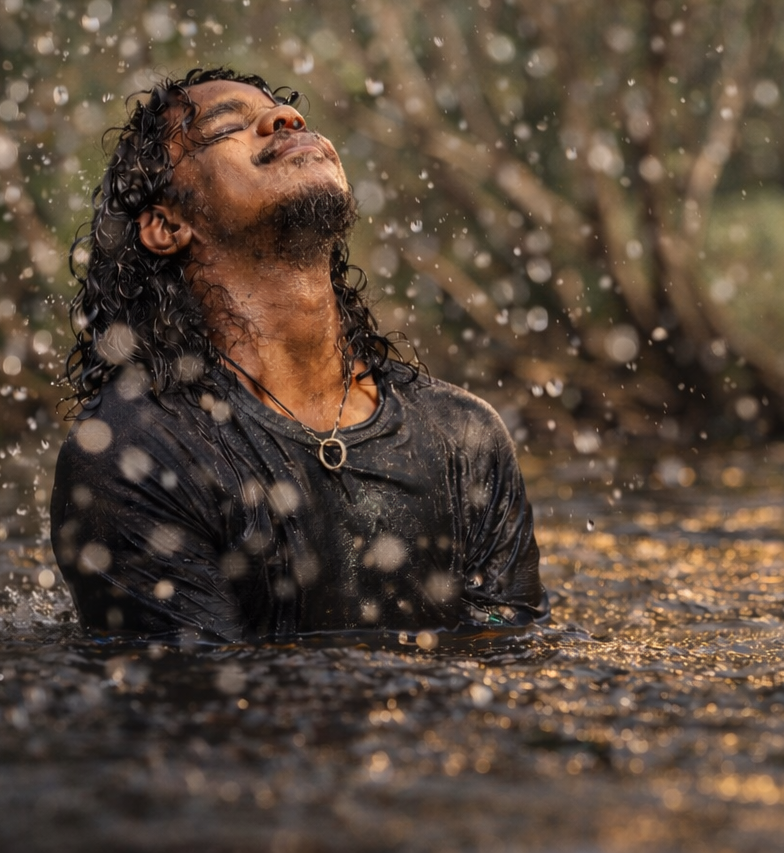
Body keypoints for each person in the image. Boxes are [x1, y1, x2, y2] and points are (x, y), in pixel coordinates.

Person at [48, 67, 548, 644]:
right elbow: (196, 707)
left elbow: (507, 657)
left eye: (291, 114)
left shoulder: (464, 436)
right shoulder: (135, 455)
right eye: (229, 124)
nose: (287, 119)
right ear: (166, 225)